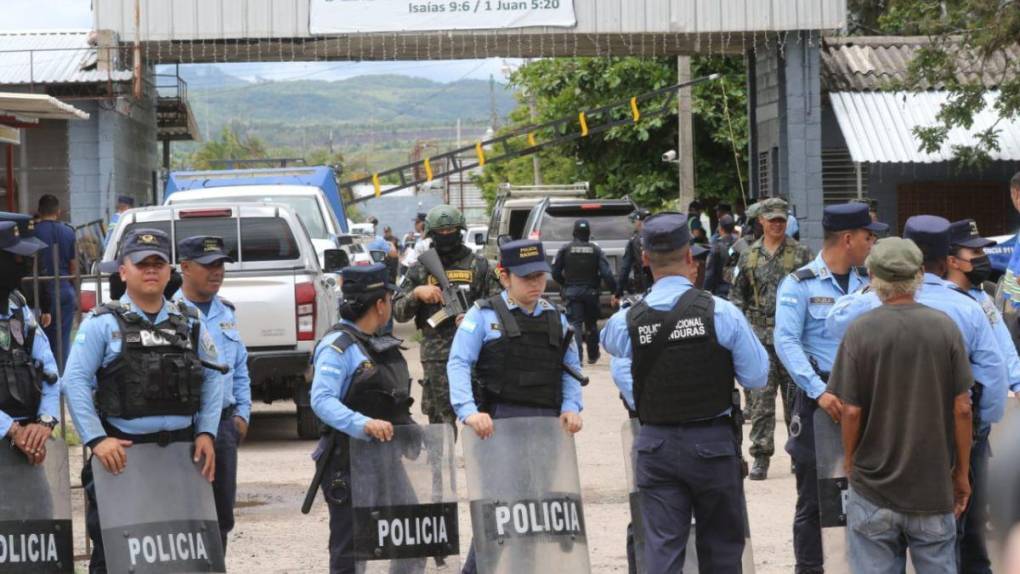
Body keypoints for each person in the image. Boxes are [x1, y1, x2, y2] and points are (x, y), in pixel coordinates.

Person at [601, 212, 769, 573]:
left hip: (656, 444)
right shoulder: (721, 313)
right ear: (690, 258)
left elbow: (615, 352)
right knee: (722, 552)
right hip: (713, 445)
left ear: (645, 259)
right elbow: (757, 377)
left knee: (662, 552)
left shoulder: (625, 321)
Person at [63, 228, 223, 572]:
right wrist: (96, 438)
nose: (151, 270)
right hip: (123, 460)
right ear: (124, 271)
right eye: (141, 263)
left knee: (184, 557)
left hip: (182, 457)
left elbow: (213, 378)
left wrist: (207, 431)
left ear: (170, 271)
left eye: (158, 263)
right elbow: (74, 381)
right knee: (118, 556)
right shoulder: (102, 324)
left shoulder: (191, 321)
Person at [827, 236, 974, 574]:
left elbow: (850, 410)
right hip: (932, 489)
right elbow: (962, 409)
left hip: (873, 488)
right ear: (919, 274)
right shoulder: (944, 327)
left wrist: (850, 460)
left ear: (872, 277)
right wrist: (961, 474)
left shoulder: (860, 331)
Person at [448, 238, 584, 574]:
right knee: (499, 511)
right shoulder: (482, 317)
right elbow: (458, 363)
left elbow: (570, 369)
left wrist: (571, 407)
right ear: (504, 276)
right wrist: (468, 411)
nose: (536, 284)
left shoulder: (557, 318)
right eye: (527, 277)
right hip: (499, 424)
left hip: (546, 427)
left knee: (534, 514)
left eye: (540, 276)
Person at [774, 202, 888, 574]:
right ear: (848, 238)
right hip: (819, 401)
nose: (873, 244)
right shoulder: (799, 284)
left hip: (866, 401)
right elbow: (786, 341)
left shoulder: (869, 284)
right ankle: (810, 568)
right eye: (869, 237)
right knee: (814, 498)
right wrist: (818, 390)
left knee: (870, 490)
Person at [826, 215, 1007, 432]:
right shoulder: (969, 307)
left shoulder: (876, 299)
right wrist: (982, 422)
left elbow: (834, 324)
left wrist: (872, 287)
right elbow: (993, 370)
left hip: (886, 426)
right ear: (944, 262)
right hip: (954, 424)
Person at [310, 263, 415, 574]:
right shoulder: (338, 347)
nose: (391, 305)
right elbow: (321, 400)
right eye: (389, 299)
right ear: (380, 304)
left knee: (412, 535)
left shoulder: (377, 345)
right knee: (350, 550)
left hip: (386, 458)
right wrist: (363, 424)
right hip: (347, 460)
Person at [939, 220, 1018, 574]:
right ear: (952, 260)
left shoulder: (981, 295)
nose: (984, 258)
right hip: (956, 422)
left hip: (979, 426)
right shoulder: (941, 302)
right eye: (975, 252)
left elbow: (1003, 350)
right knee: (951, 522)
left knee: (976, 524)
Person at [172, 235, 251, 550]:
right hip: (182, 426)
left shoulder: (226, 312)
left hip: (222, 426)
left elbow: (240, 366)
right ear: (186, 268)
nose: (216, 272)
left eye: (221, 265)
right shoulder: (170, 311)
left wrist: (243, 413)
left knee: (220, 516)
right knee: (181, 514)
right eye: (208, 266)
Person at [730, 197, 813, 481]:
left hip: (792, 341)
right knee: (761, 404)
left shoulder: (802, 254)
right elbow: (736, 296)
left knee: (796, 402)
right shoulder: (748, 255)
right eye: (772, 219)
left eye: (782, 219)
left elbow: (813, 294)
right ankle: (761, 457)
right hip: (760, 341)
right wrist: (740, 335)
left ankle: (798, 455)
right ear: (761, 221)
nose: (777, 224)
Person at [393, 205, 498, 426]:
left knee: (481, 415)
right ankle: (441, 462)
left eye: (452, 231)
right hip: (437, 355)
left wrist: (475, 314)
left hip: (476, 352)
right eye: (441, 233)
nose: (447, 236)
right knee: (440, 421)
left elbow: (499, 304)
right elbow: (398, 312)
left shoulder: (479, 265)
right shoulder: (421, 269)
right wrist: (417, 294)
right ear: (432, 234)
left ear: (460, 231)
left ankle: (480, 461)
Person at [0, 220, 60, 465]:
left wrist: (45, 422)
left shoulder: (17, 305)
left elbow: (49, 368)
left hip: (24, 441)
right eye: (16, 258)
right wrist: (13, 430)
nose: (26, 264)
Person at [552, 219, 616, 364]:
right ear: (588, 233)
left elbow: (555, 272)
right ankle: (593, 355)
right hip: (591, 293)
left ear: (574, 233)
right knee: (591, 324)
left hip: (572, 292)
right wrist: (615, 291)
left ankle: (578, 357)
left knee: (575, 324)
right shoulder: (596, 250)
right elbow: (607, 273)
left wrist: (565, 284)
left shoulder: (565, 249)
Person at [34, 194, 78, 368]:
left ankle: (43, 376)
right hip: (64, 289)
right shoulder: (68, 232)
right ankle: (60, 377)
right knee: (62, 340)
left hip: (40, 292)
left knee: (39, 339)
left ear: (39, 211)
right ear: (58, 212)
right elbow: (74, 267)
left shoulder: (33, 232)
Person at [615, 208, 653, 304]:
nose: (634, 224)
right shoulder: (661, 236)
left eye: (634, 221)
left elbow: (625, 268)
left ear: (639, 221)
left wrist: (617, 293)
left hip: (643, 287)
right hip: (662, 285)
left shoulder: (634, 241)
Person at [703, 214, 739, 298]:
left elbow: (710, 273)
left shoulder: (716, 247)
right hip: (738, 290)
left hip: (721, 291)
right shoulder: (741, 243)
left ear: (720, 229)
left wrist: (705, 290)